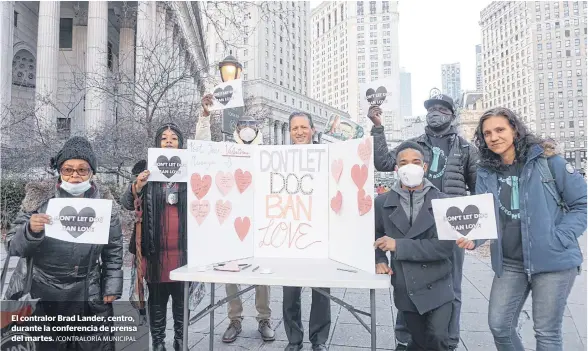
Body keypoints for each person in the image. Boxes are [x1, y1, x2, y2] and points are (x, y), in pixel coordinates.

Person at [457, 107, 587, 351]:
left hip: (552, 260)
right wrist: (474, 239)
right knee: (499, 326)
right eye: (487, 133)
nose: (493, 137)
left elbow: (581, 204)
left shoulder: (548, 162)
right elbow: (485, 215)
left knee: (546, 333)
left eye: (499, 130)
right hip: (510, 263)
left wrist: (559, 237)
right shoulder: (486, 171)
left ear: (514, 130)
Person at [368, 94, 478, 350]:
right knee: (407, 283)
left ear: (452, 115)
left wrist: (473, 230)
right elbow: (384, 162)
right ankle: (405, 338)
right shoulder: (414, 144)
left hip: (447, 223)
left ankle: (448, 340)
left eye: (441, 109)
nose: (435, 113)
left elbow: (478, 189)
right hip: (410, 218)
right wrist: (377, 127)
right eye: (430, 109)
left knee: (452, 286)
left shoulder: (465, 148)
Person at [5, 136, 123, 351]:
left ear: (92, 172)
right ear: (59, 170)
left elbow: (113, 249)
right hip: (40, 290)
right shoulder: (38, 200)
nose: (75, 176)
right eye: (68, 169)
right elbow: (12, 245)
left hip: (88, 291)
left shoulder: (105, 204)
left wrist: (112, 285)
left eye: (82, 170)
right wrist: (30, 230)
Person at [195, 93, 275, 343]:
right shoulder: (226, 152)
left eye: (252, 126)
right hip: (230, 221)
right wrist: (205, 118)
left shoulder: (269, 154)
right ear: (237, 130)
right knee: (230, 273)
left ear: (258, 130)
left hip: (261, 222)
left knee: (262, 273)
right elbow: (203, 149)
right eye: (244, 126)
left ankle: (264, 318)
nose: (248, 129)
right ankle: (235, 319)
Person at [374, 141, 455, 351]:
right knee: (418, 341)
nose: (410, 166)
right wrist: (380, 260)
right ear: (396, 168)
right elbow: (375, 234)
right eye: (403, 162)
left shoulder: (442, 201)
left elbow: (443, 248)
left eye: (416, 162)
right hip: (405, 285)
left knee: (438, 338)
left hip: (438, 282)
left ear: (425, 167)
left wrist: (398, 246)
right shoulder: (382, 202)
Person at [121, 122, 190, 351]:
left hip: (183, 250)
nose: (169, 141)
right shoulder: (146, 171)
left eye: (173, 137)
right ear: (157, 143)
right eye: (164, 138)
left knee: (182, 300)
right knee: (157, 300)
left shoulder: (192, 171)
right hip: (155, 250)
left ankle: (181, 341)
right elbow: (127, 204)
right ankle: (158, 342)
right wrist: (137, 185)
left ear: (180, 143)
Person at [282, 112, 330, 351]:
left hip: (319, 230)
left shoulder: (327, 156)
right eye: (294, 128)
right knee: (290, 291)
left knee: (321, 290)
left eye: (303, 127)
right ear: (289, 132)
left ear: (313, 129)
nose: (299, 132)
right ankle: (294, 339)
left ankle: (319, 340)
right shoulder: (279, 158)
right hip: (288, 231)